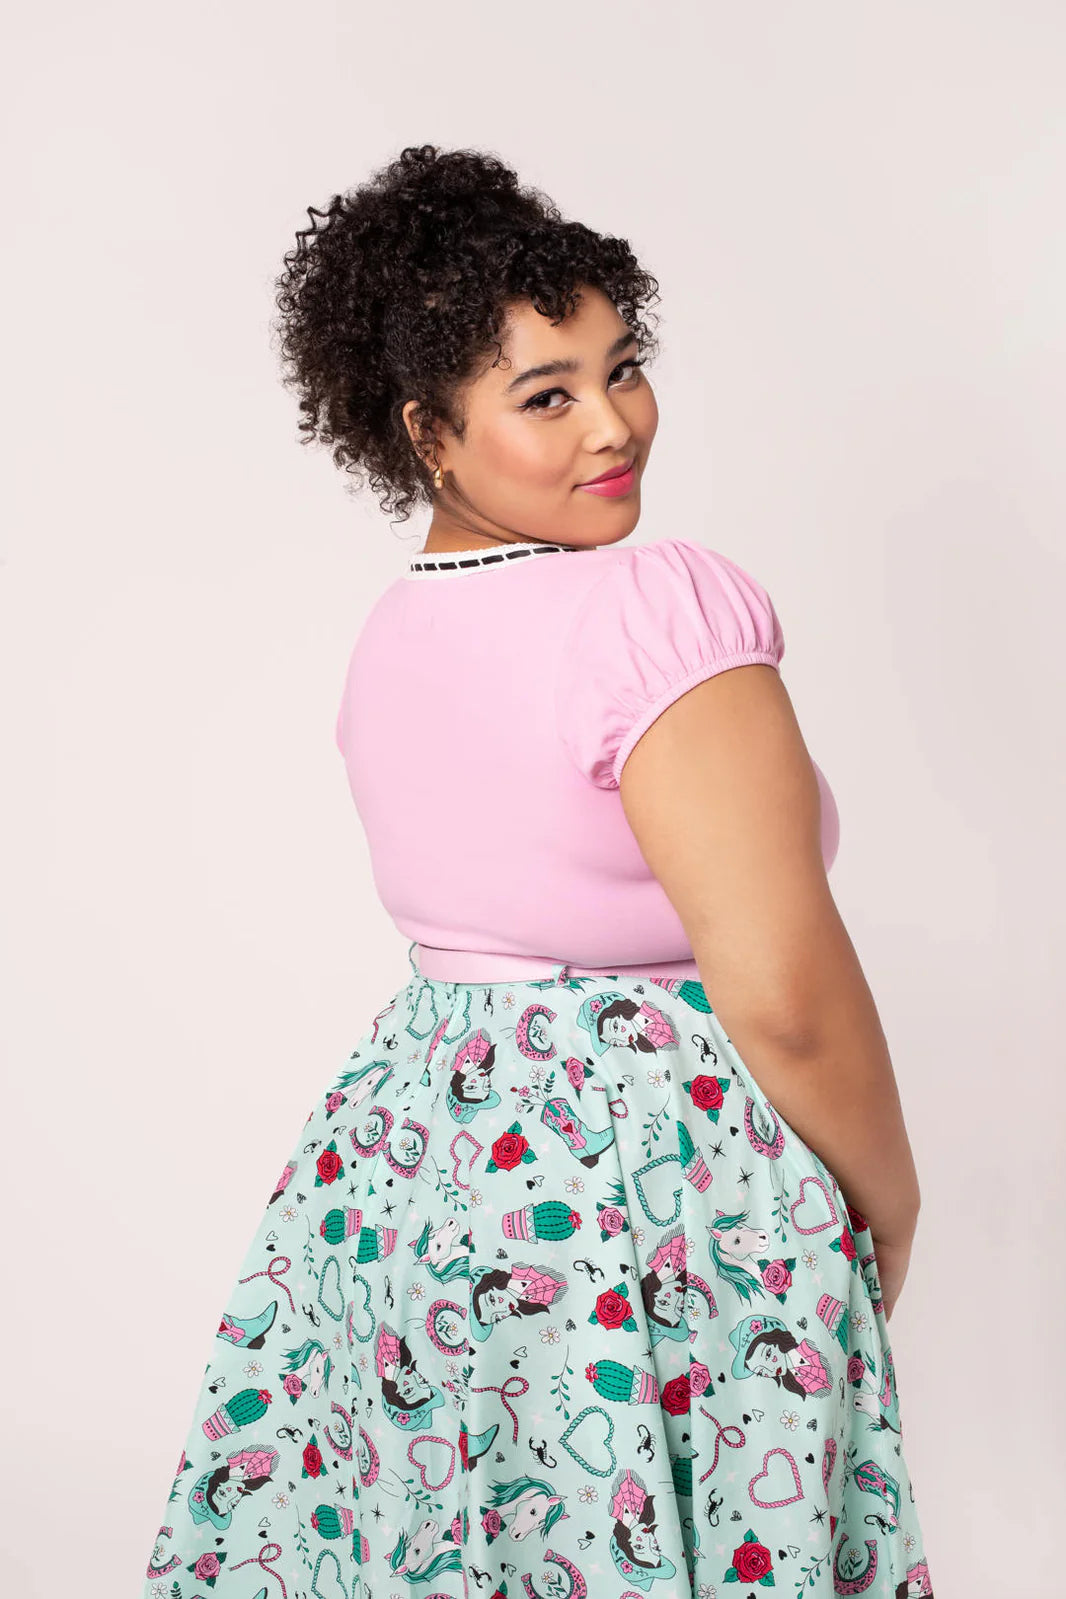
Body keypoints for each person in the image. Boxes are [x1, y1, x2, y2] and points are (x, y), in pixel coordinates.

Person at [139, 144, 935, 1599]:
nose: (613, 424)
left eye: (621, 369)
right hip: (644, 1183)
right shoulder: (654, 614)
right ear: (427, 434)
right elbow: (785, 995)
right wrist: (890, 1202)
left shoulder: (395, 632)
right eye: (545, 395)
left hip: (407, 1170)